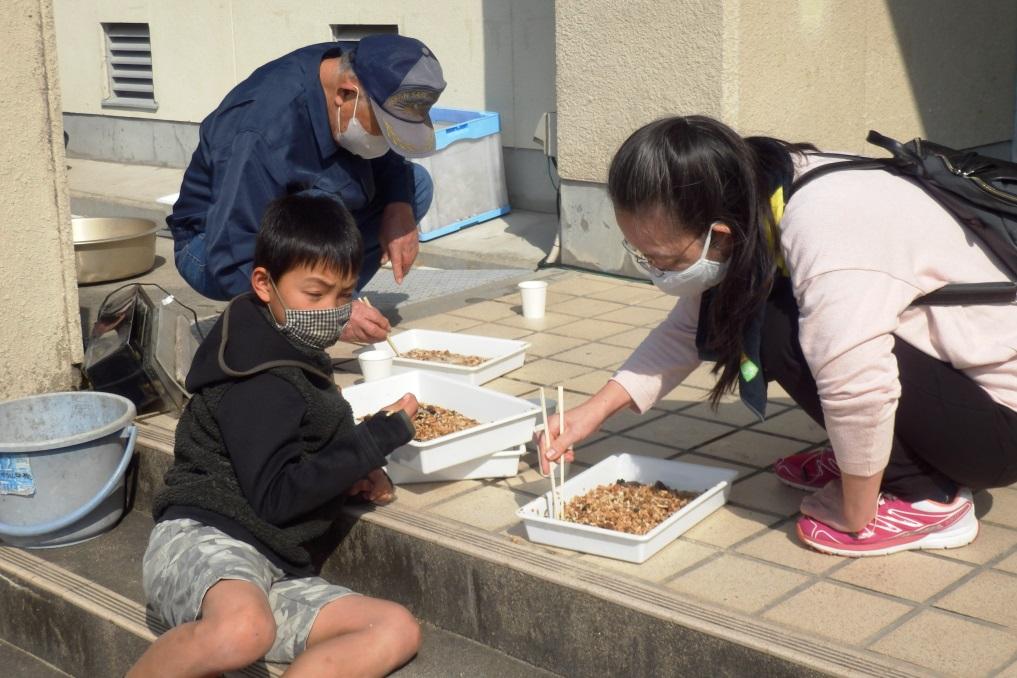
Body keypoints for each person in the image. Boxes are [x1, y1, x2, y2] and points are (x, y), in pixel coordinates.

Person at [540, 115, 1017, 557]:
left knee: (776, 324)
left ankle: (926, 498)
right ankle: (881, 460)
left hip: (1001, 430)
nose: (655, 272)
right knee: (757, 307)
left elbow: (858, 384)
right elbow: (690, 327)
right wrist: (591, 413)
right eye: (642, 255)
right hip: (959, 386)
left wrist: (853, 510)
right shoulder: (760, 187)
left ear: (719, 232)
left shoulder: (829, 225)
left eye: (663, 259)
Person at [130, 191, 422, 677]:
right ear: (264, 284)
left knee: (395, 628)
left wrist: (362, 469)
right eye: (315, 294)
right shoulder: (257, 373)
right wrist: (376, 437)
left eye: (344, 294)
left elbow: (309, 454)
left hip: (276, 570)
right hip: (203, 544)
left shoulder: (292, 349)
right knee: (244, 629)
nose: (331, 309)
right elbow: (277, 497)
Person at [168, 34, 447, 343]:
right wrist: (334, 315)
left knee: (414, 186)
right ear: (344, 93)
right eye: (381, 128)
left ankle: (323, 300)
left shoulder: (360, 67)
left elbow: (389, 158)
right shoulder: (259, 131)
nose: (384, 139)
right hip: (210, 246)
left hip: (299, 208)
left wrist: (400, 207)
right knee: (320, 209)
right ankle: (313, 313)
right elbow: (230, 256)